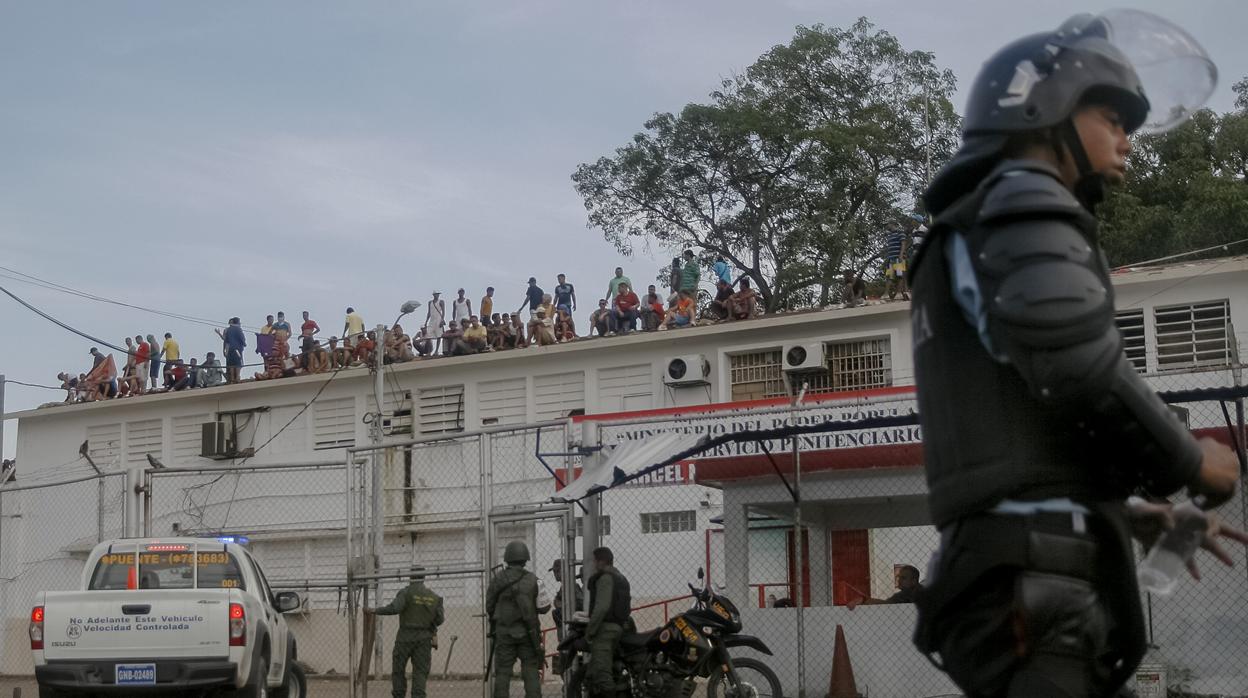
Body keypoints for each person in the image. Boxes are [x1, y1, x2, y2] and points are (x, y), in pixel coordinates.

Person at [908, 11, 1246, 698]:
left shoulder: (975, 224)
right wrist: (1190, 460)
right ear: (1043, 107)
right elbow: (1075, 367)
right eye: (1112, 115)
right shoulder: (1022, 198)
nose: (1128, 137)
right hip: (1034, 590)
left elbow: (1021, 433)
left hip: (1020, 577)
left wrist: (1126, 512)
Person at [366, 568, 444, 698]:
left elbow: (395, 608)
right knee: (420, 671)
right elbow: (440, 619)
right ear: (423, 577)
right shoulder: (434, 597)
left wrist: (375, 610)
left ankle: (399, 695)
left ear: (410, 577)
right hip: (424, 638)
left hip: (405, 637)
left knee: (398, 669)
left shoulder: (406, 592)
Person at [486, 541, 541, 698]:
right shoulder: (533, 579)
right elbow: (544, 607)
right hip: (528, 633)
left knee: (503, 673)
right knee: (530, 671)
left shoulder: (497, 579)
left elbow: (489, 606)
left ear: (507, 558)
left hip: (504, 632)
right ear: (525, 559)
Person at [586, 546, 631, 698]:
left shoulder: (606, 578)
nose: (593, 564)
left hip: (605, 630)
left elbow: (602, 607)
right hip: (619, 628)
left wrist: (590, 630)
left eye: (595, 561)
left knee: (602, 672)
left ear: (601, 561)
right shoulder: (621, 578)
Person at [846, 564, 924, 608]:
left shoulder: (907, 594)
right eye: (898, 577)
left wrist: (864, 600)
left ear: (913, 581)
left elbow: (886, 604)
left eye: (903, 578)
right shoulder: (923, 591)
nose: (899, 580)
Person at [220, 317, 247, 384]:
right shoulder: (238, 329)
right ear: (237, 322)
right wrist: (244, 344)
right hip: (237, 348)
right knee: (238, 363)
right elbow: (242, 338)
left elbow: (226, 340)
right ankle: (237, 378)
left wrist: (224, 350)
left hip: (230, 349)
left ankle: (232, 379)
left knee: (231, 364)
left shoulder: (228, 330)